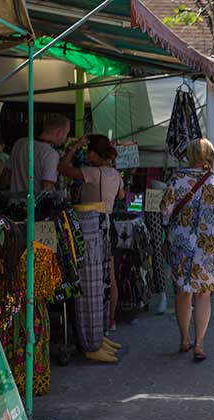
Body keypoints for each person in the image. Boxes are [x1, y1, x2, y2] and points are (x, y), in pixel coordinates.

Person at [161, 138, 214, 362]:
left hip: (180, 245)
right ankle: (199, 344)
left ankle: (184, 339)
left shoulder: (176, 181)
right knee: (204, 294)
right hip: (207, 248)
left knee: (182, 292)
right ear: (211, 156)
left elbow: (165, 213)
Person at [58, 134, 124, 362]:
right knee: (104, 283)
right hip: (106, 225)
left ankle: (93, 340)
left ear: (95, 154)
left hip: (90, 228)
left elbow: (63, 169)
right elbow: (123, 195)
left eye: (88, 152)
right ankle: (98, 335)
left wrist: (72, 148)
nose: (86, 156)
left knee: (92, 286)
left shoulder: (92, 173)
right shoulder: (114, 173)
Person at [8, 114, 70, 194]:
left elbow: (7, 176)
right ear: (59, 132)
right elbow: (47, 189)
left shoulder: (19, 143)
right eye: (66, 134)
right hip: (33, 205)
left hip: (14, 203)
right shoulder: (50, 154)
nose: (65, 138)